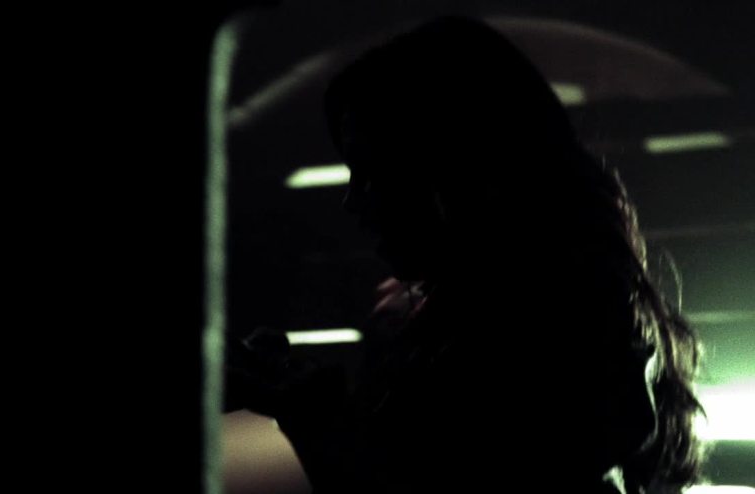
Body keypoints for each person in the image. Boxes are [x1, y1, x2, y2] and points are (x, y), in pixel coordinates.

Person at [228, 16, 705, 494]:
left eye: (374, 171)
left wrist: (316, 416)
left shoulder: (544, 328)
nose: (353, 201)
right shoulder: (566, 311)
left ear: (456, 170)